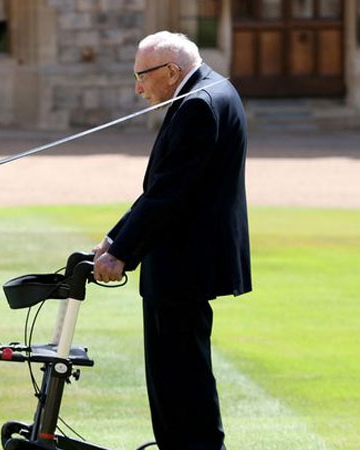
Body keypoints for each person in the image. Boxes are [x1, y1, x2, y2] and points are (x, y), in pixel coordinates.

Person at [92, 31, 252, 449]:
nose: (138, 87)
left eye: (142, 76)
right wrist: (115, 238)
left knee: (179, 373)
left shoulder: (198, 105)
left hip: (184, 262)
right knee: (179, 370)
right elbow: (165, 187)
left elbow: (170, 192)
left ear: (171, 71)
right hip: (189, 259)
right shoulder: (214, 88)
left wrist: (122, 253)